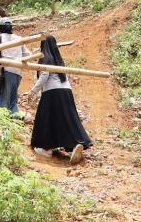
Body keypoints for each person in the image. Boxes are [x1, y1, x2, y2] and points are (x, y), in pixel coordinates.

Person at [26, 35, 92, 164]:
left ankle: (46, 148)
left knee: (45, 119)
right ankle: (75, 144)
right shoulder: (58, 59)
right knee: (67, 118)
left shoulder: (45, 57)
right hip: (66, 91)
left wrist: (33, 91)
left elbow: (44, 75)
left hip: (52, 92)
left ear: (43, 46)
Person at [0, 17, 30, 117]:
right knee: (12, 95)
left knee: (1, 94)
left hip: (4, 71)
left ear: (0, 27)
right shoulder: (18, 38)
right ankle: (14, 114)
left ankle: (1, 116)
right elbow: (27, 54)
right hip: (17, 70)